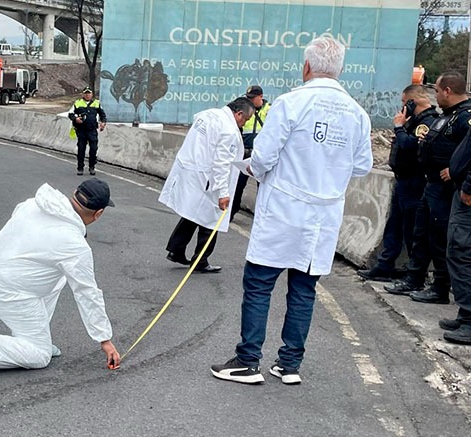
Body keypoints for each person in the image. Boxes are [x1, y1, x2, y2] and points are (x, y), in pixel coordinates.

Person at [210, 37, 372, 385]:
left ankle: (247, 360)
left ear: (307, 66)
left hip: (284, 208)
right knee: (303, 289)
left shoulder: (291, 102)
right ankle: (289, 364)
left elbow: (265, 157)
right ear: (340, 69)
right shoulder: (358, 113)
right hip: (324, 215)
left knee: (259, 284)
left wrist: (254, 169)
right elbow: (361, 166)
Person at [0, 178, 121, 380]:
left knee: (58, 277)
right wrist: (104, 339)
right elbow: (86, 293)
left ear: (75, 192)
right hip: (6, 287)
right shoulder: (74, 246)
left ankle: (35, 337)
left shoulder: (33, 203)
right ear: (98, 213)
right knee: (40, 355)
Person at [385, 72, 471, 304]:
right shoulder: (448, 117)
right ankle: (415, 278)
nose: (435, 97)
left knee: (440, 240)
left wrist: (455, 171)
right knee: (421, 235)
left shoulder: (465, 118)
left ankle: (440, 288)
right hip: (431, 185)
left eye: (437, 91)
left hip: (446, 189)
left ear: (447, 91)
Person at [159, 97, 255, 274]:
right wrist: (223, 192)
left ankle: (176, 248)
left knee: (194, 211)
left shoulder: (208, 114)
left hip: (192, 170)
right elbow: (222, 163)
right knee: (212, 219)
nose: (244, 124)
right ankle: (201, 259)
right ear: (239, 113)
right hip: (209, 177)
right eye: (245, 120)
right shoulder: (229, 131)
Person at [358, 85, 437, 281]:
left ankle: (415, 273)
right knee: (394, 227)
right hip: (403, 181)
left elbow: (411, 146)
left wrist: (399, 127)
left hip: (414, 182)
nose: (402, 106)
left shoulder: (426, 122)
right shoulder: (415, 121)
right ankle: (384, 266)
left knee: (411, 230)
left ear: (412, 102)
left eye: (404, 102)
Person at [442, 111, 471, 343]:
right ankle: (465, 314)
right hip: (462, 191)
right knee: (457, 251)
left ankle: (470, 321)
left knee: (463, 252)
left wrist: (469, 186)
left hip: (467, 197)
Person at [232, 85, 270, 222]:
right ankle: (231, 212)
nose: (250, 101)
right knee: (238, 185)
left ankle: (261, 219)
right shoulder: (244, 109)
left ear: (260, 97)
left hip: (260, 155)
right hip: (245, 153)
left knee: (263, 189)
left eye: (252, 98)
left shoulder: (269, 110)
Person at [69, 87, 107, 176]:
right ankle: (80, 167)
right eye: (85, 93)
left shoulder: (96, 103)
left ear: (92, 94)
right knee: (81, 149)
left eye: (89, 93)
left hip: (92, 130)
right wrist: (76, 119)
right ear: (83, 94)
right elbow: (70, 114)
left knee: (93, 149)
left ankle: (92, 167)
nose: (87, 95)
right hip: (81, 130)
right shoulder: (77, 103)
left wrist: (103, 123)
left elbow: (102, 114)